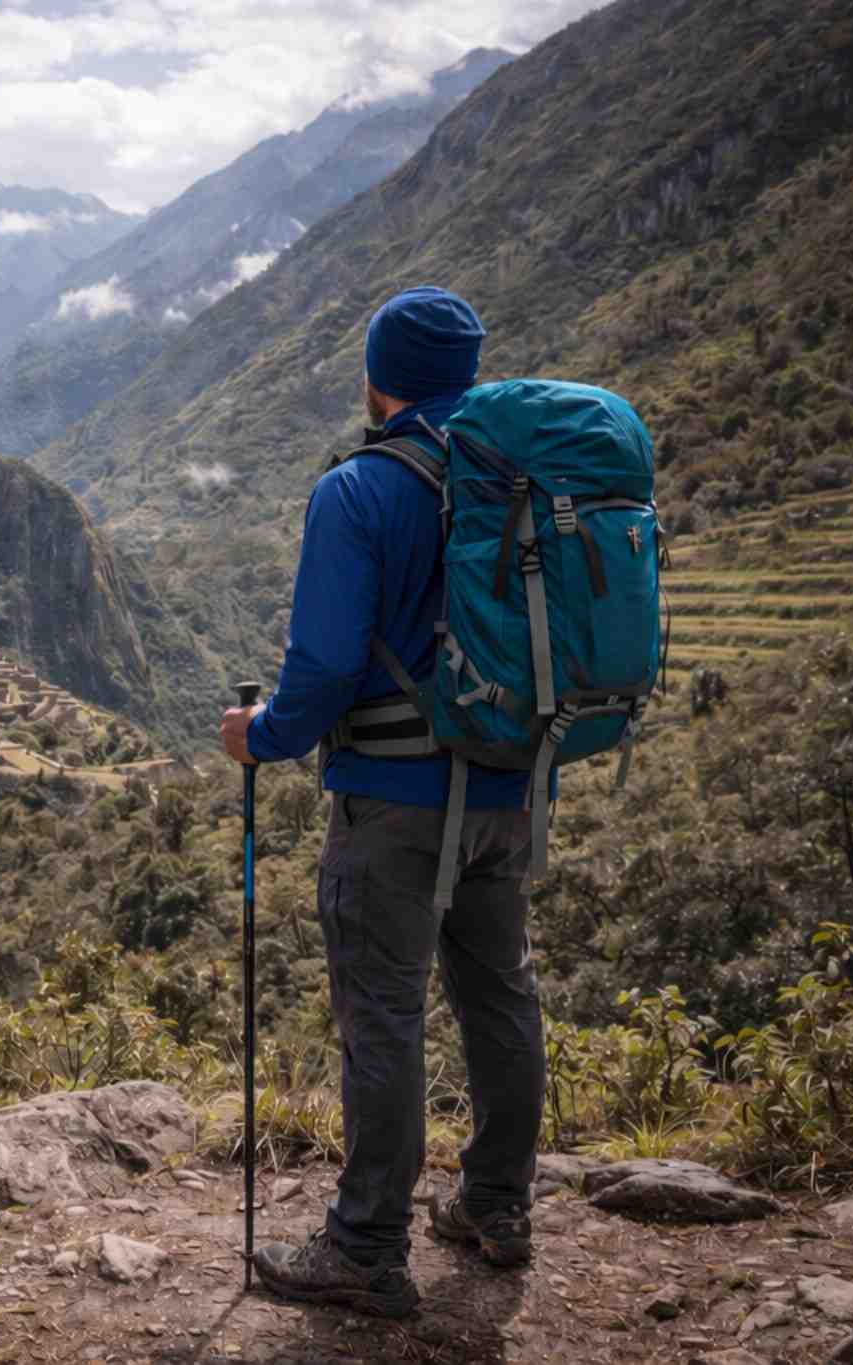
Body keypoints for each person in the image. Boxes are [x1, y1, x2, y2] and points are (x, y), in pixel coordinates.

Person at [218, 288, 544, 1318]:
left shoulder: (358, 489)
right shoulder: (515, 477)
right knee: (500, 995)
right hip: (506, 790)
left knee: (384, 1016)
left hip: (391, 804)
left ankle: (364, 1246)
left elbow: (317, 669)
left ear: (377, 374)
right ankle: (495, 1206)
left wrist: (258, 736)